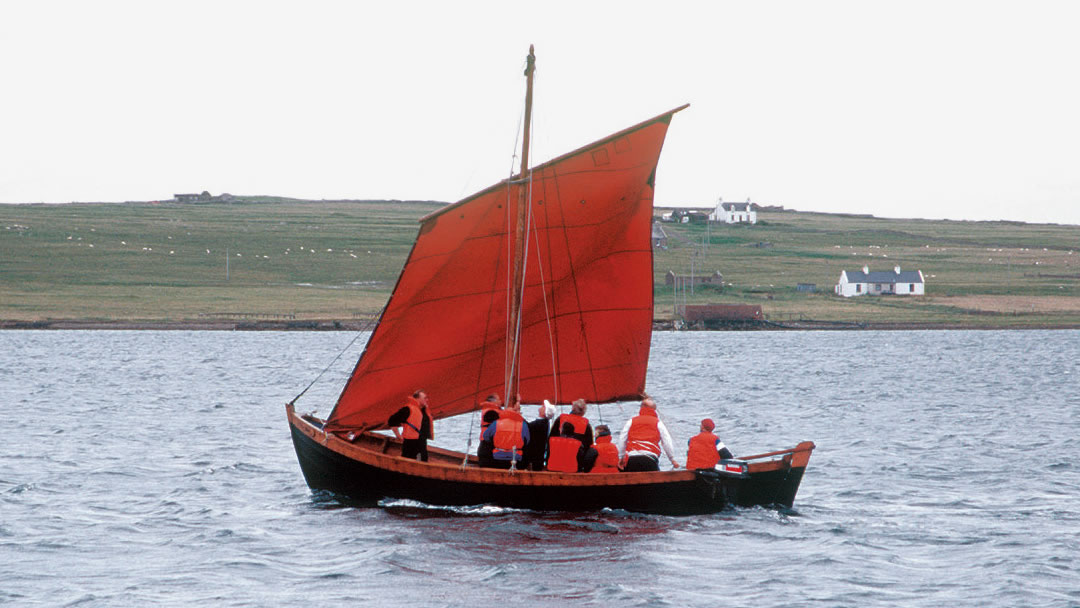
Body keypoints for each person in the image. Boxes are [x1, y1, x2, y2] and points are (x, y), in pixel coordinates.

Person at [616, 397, 680, 472]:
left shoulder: (631, 421)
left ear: (641, 408)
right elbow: (666, 442)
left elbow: (622, 439)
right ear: (654, 409)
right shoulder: (658, 422)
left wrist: (621, 457)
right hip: (650, 459)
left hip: (632, 459)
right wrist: (672, 459)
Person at [387, 389, 434, 462]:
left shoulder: (424, 410)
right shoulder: (408, 409)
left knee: (423, 462)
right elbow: (392, 420)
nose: (427, 400)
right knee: (407, 461)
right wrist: (398, 435)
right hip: (410, 442)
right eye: (425, 398)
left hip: (422, 443)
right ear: (417, 398)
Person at [481, 400, 529, 469]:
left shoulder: (496, 423)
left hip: (498, 458)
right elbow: (527, 441)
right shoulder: (523, 424)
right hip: (516, 459)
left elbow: (486, 437)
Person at [524, 400, 556, 471]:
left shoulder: (540, 424)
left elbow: (527, 426)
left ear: (545, 412)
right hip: (538, 458)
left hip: (534, 459)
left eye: (543, 406)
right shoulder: (544, 423)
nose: (541, 406)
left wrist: (518, 415)